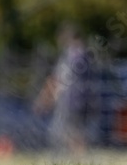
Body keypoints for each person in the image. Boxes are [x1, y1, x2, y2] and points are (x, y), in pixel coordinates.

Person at [34, 24, 91, 155]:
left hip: (69, 101)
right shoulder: (82, 55)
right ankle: (78, 157)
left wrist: (45, 99)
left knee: (63, 132)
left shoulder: (72, 55)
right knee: (73, 132)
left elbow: (57, 79)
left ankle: (78, 158)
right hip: (78, 100)